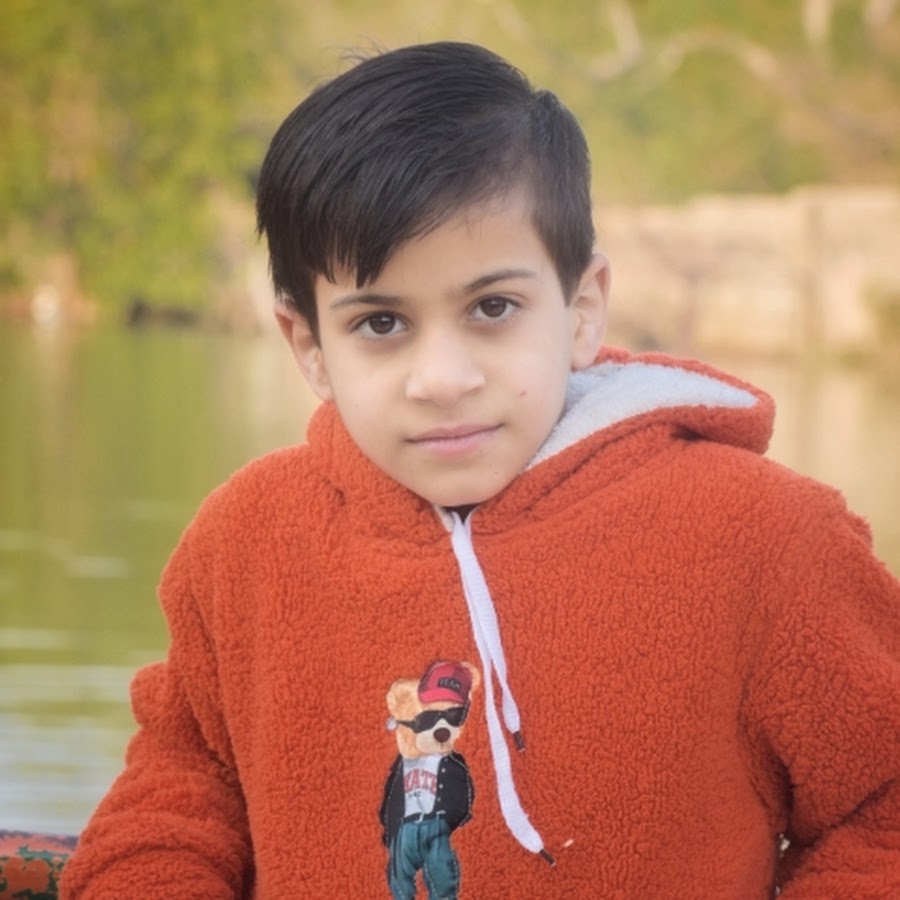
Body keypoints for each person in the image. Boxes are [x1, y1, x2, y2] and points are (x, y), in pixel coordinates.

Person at [60, 41, 900, 899]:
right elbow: (180, 790)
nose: (443, 379)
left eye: (493, 308)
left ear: (581, 309)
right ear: (308, 345)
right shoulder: (246, 541)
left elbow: (886, 811)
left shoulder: (766, 541)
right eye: (381, 323)